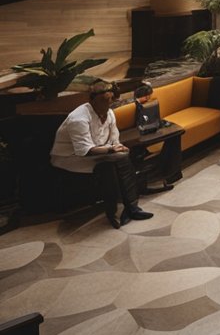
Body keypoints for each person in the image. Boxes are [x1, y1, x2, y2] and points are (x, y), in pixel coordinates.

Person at [50, 81, 154, 229]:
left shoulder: (110, 113)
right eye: (103, 101)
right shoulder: (79, 119)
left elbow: (113, 138)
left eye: (110, 100)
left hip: (98, 150)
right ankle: (113, 214)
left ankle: (132, 208)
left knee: (123, 158)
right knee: (108, 165)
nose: (107, 104)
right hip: (71, 158)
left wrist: (117, 146)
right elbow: (84, 151)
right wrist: (111, 150)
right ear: (91, 100)